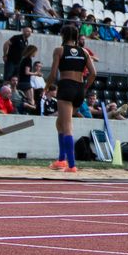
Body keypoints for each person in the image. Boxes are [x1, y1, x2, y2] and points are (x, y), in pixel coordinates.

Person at [48, 23, 98, 172]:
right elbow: (93, 73)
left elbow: (53, 73)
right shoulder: (84, 51)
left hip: (66, 86)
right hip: (79, 89)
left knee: (67, 126)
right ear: (76, 37)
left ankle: (71, 164)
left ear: (63, 36)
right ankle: (61, 159)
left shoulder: (59, 50)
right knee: (60, 123)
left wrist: (47, 86)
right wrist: (85, 87)